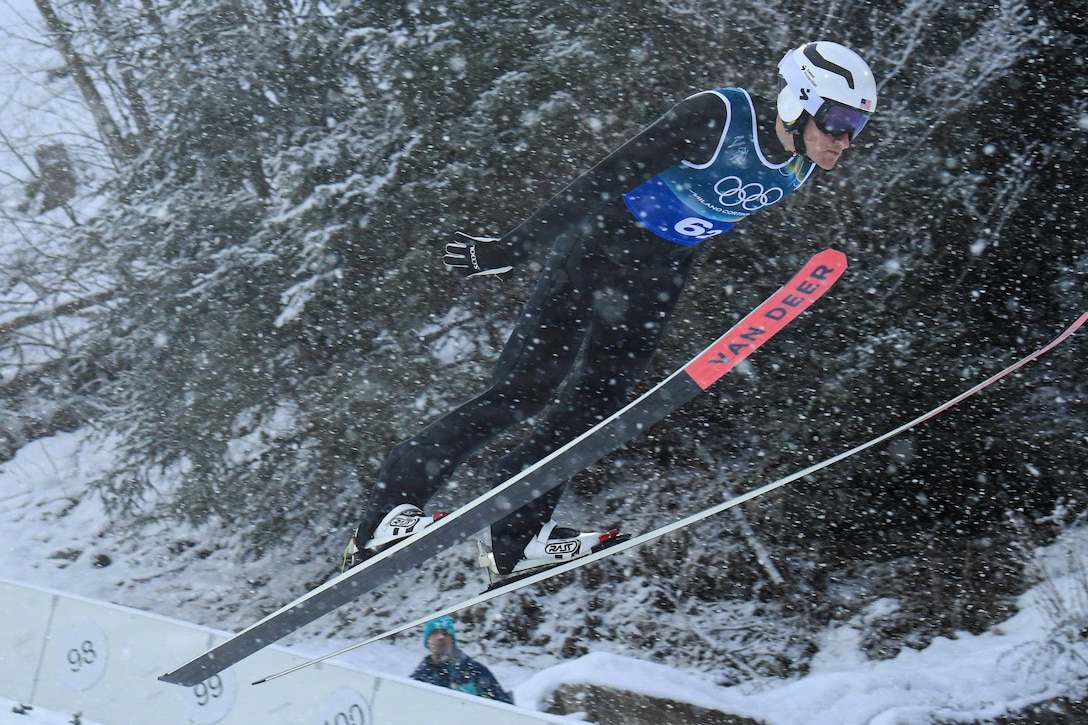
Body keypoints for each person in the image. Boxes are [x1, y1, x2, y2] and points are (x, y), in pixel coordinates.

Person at [350, 41, 878, 579]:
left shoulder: (799, 163)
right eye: (837, 120)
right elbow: (604, 179)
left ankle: (511, 538)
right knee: (524, 391)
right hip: (594, 252)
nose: (844, 140)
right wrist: (513, 247)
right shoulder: (720, 117)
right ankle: (385, 513)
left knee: (594, 411)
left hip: (657, 277)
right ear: (798, 101)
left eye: (856, 127)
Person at [410, 615, 514, 703]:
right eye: (434, 633)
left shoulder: (476, 672)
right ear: (427, 641)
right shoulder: (417, 679)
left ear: (452, 641)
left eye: (445, 633)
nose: (440, 637)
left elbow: (505, 709)